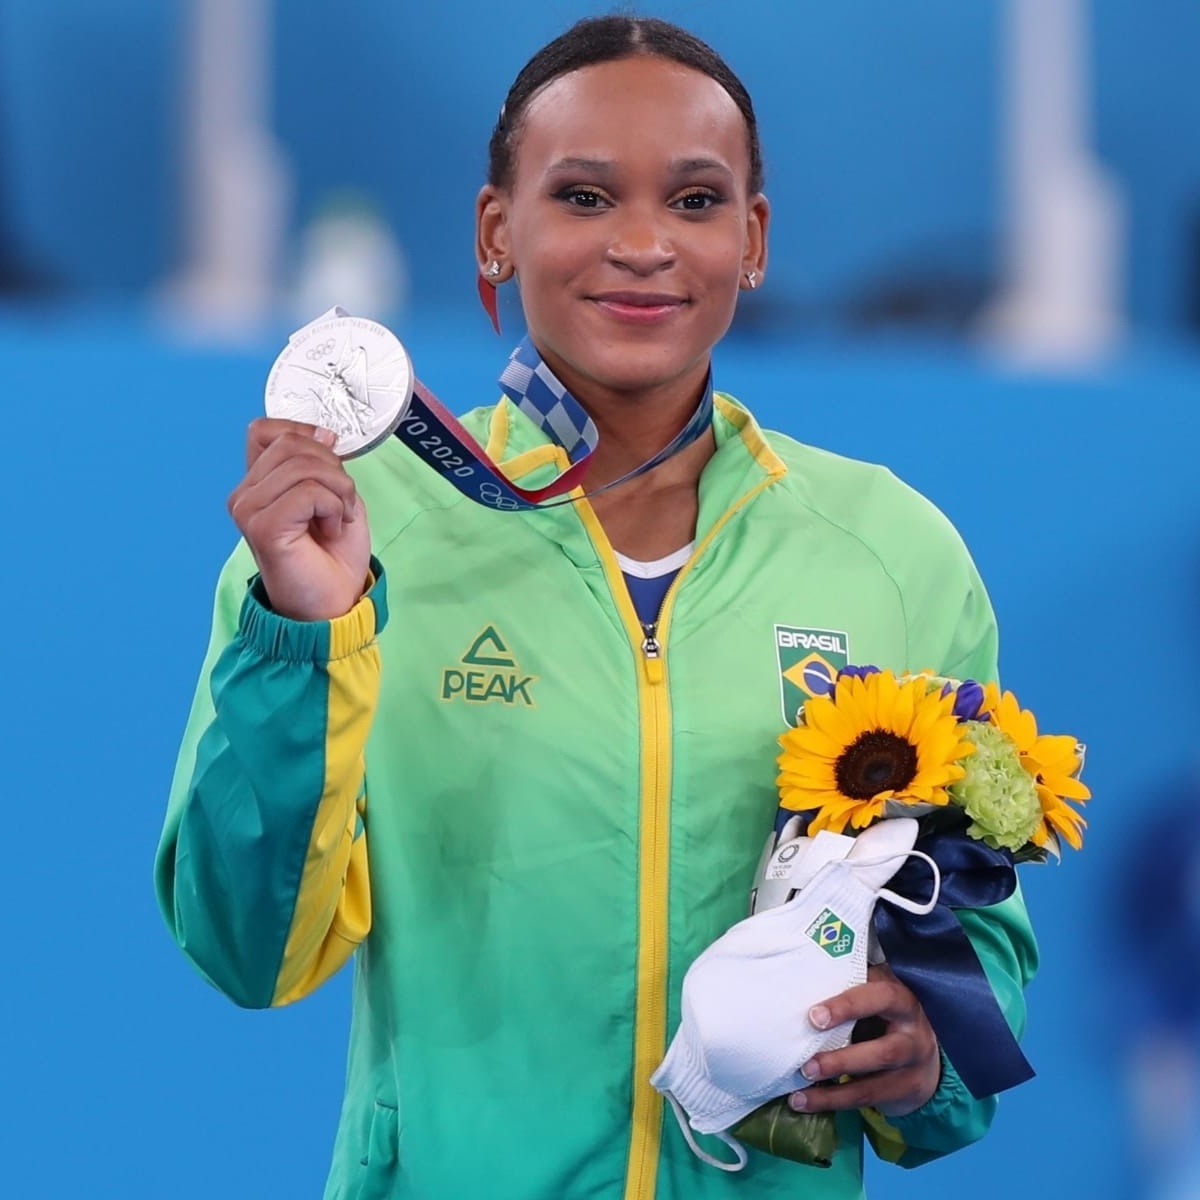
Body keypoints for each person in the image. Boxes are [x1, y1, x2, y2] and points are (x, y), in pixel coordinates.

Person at [155, 15, 1036, 1199]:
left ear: (755, 239)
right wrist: (304, 634)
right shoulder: (351, 536)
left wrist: (932, 1055)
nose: (641, 245)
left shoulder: (891, 555)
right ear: (495, 230)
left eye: (693, 201)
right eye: (581, 198)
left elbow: (971, 938)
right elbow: (244, 950)